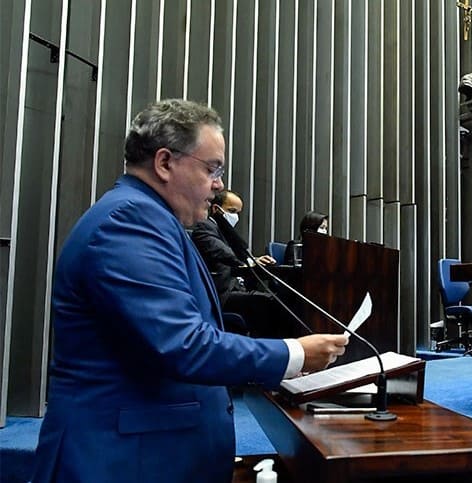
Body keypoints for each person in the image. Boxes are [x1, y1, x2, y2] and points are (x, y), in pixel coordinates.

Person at [31, 99, 349, 483]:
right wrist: (295, 352)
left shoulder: (152, 219)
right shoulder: (128, 222)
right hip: (119, 461)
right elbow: (182, 343)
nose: (218, 186)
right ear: (165, 163)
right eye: (212, 169)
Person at [191, 189, 292, 338]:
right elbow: (225, 254)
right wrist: (252, 261)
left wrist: (254, 261)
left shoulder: (225, 231)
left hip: (238, 287)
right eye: (231, 211)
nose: (235, 216)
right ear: (216, 209)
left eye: (238, 212)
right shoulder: (204, 227)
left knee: (281, 299)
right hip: (221, 293)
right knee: (268, 302)